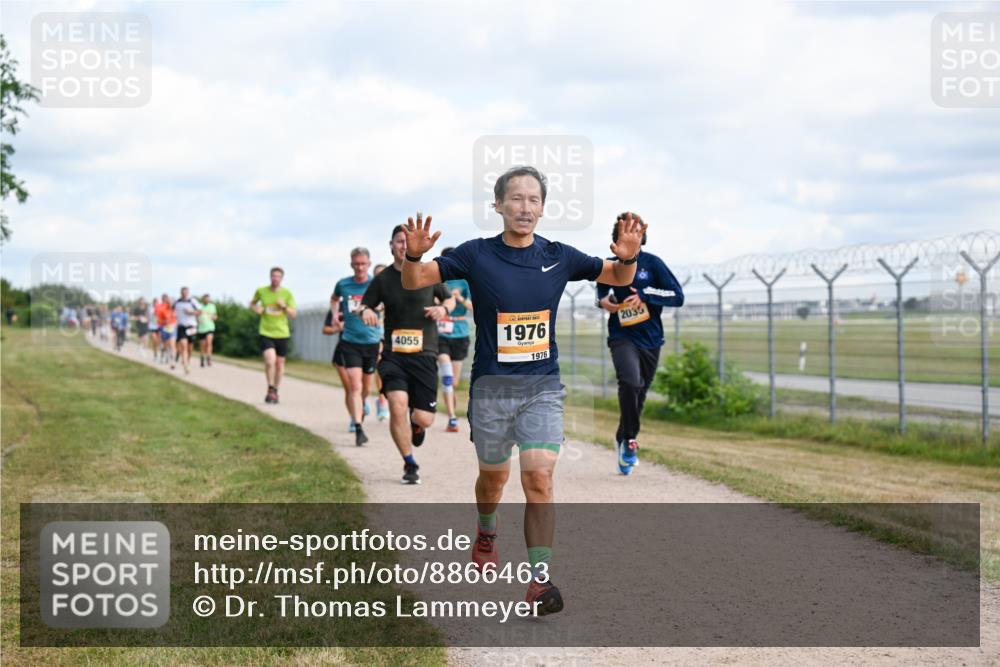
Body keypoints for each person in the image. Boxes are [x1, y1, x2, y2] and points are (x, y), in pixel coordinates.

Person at [400, 165, 646, 615]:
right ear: (497, 205)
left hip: (543, 388)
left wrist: (628, 257)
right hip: (492, 390)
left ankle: (539, 583)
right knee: (493, 481)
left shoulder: (559, 255)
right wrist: (413, 259)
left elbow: (617, 278)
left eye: (533, 200)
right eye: (515, 198)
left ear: (543, 208)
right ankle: (487, 529)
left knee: (538, 479)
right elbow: (415, 281)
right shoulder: (475, 255)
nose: (525, 207)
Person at [359, 225, 454, 484]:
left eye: (407, 241)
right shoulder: (383, 279)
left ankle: (417, 424)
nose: (404, 245)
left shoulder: (428, 273)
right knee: (397, 406)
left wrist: (443, 310)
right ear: (391, 245)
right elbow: (365, 304)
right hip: (393, 355)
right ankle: (409, 463)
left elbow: (450, 300)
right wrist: (366, 311)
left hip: (424, 354)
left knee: (424, 417)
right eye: (399, 241)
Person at [596, 214, 685, 475]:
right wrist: (604, 303)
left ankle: (624, 437)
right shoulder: (610, 265)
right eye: (625, 231)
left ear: (642, 236)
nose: (631, 235)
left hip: (651, 338)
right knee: (631, 383)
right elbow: (602, 295)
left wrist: (645, 296)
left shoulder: (653, 264)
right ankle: (631, 441)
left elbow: (677, 296)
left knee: (640, 393)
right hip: (622, 336)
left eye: (635, 231)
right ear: (616, 238)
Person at [325, 248, 382, 447]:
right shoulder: (343, 284)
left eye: (363, 264)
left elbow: (386, 303)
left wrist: (378, 309)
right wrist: (334, 314)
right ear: (351, 264)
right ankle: (358, 427)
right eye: (356, 264)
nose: (359, 267)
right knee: (355, 386)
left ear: (368, 264)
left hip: (372, 341)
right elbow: (334, 299)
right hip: (350, 341)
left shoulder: (376, 283)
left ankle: (362, 405)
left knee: (366, 387)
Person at [436, 247, 473, 432]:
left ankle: (450, 406)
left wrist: (459, 299)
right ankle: (452, 418)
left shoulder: (466, 282)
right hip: (440, 334)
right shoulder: (437, 280)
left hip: (460, 333)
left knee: (454, 382)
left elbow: (474, 308)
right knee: (447, 376)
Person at [251, 267, 297, 404]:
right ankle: (270, 387)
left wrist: (283, 306)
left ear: (281, 278)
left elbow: (293, 314)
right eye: (273, 276)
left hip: (282, 333)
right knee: (270, 361)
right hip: (266, 331)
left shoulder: (287, 293)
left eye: (278, 276)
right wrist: (256, 308)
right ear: (270, 277)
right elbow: (253, 304)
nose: (275, 278)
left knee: (280, 364)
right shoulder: (261, 291)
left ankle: (275, 390)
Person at [371, 263, 390, 421]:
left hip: (395, 334)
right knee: (379, 364)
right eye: (377, 274)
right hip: (377, 335)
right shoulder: (371, 292)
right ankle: (382, 400)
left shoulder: (396, 288)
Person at [174, 287, 201, 375]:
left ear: (188, 293)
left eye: (186, 292)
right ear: (181, 293)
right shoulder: (177, 302)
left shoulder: (192, 301)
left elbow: (200, 311)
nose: (184, 294)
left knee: (190, 346)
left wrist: (191, 312)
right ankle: (185, 365)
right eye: (183, 292)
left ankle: (188, 361)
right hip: (181, 326)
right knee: (183, 345)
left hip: (191, 326)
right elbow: (171, 310)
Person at [155, 293, 177, 369]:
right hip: (165, 328)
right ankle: (163, 355)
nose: (171, 303)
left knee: (172, 345)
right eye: (170, 302)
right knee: (165, 346)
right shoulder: (162, 309)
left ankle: (173, 362)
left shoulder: (176, 310)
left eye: (172, 302)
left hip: (173, 328)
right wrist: (164, 322)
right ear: (167, 302)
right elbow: (158, 321)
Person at [197, 293, 218, 367]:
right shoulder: (199, 306)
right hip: (201, 328)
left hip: (210, 327)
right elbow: (196, 314)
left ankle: (209, 358)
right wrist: (197, 320)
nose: (206, 300)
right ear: (203, 299)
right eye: (205, 299)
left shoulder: (212, 306)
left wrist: (214, 317)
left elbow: (215, 316)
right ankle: (202, 358)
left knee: (209, 342)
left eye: (208, 299)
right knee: (203, 345)